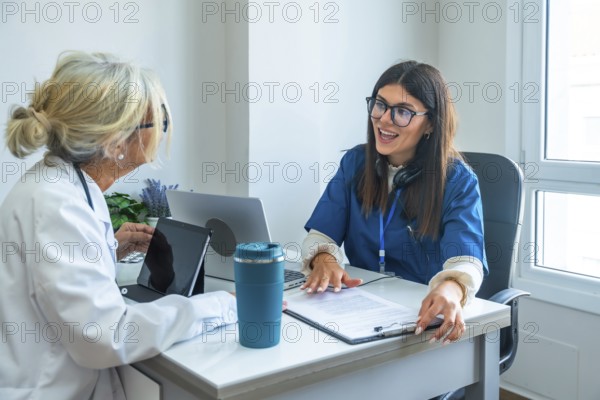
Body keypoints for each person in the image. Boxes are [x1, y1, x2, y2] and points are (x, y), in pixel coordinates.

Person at [0, 51, 237, 399]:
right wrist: (224, 305)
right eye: (157, 121)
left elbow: (54, 289)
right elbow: (106, 336)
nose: (163, 130)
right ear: (114, 141)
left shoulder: (62, 184)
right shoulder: (58, 204)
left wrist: (104, 248)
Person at [300, 61, 487, 345]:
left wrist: (451, 289)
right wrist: (323, 260)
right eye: (380, 105)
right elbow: (320, 236)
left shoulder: (457, 180)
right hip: (358, 313)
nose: (384, 119)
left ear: (430, 124)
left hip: (421, 322)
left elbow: (467, 261)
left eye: (403, 112)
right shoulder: (355, 163)